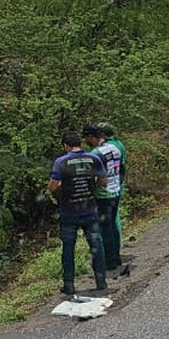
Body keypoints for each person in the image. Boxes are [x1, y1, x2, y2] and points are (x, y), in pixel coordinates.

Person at [49, 131, 107, 295]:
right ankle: (101, 281)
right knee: (96, 245)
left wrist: (63, 185)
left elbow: (52, 186)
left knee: (68, 248)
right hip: (90, 209)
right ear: (80, 144)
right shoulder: (94, 159)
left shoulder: (61, 162)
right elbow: (103, 181)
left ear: (65, 146)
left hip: (69, 212)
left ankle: (69, 285)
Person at [83, 124, 122, 271]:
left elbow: (96, 177)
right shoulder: (114, 148)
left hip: (103, 194)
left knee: (105, 228)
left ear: (91, 137)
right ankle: (116, 256)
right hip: (116, 190)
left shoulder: (95, 153)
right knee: (112, 225)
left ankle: (110, 261)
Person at [96, 122, 127, 254]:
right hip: (117, 185)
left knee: (110, 222)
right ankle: (116, 248)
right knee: (114, 219)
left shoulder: (108, 148)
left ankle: (112, 251)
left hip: (109, 188)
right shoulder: (119, 144)